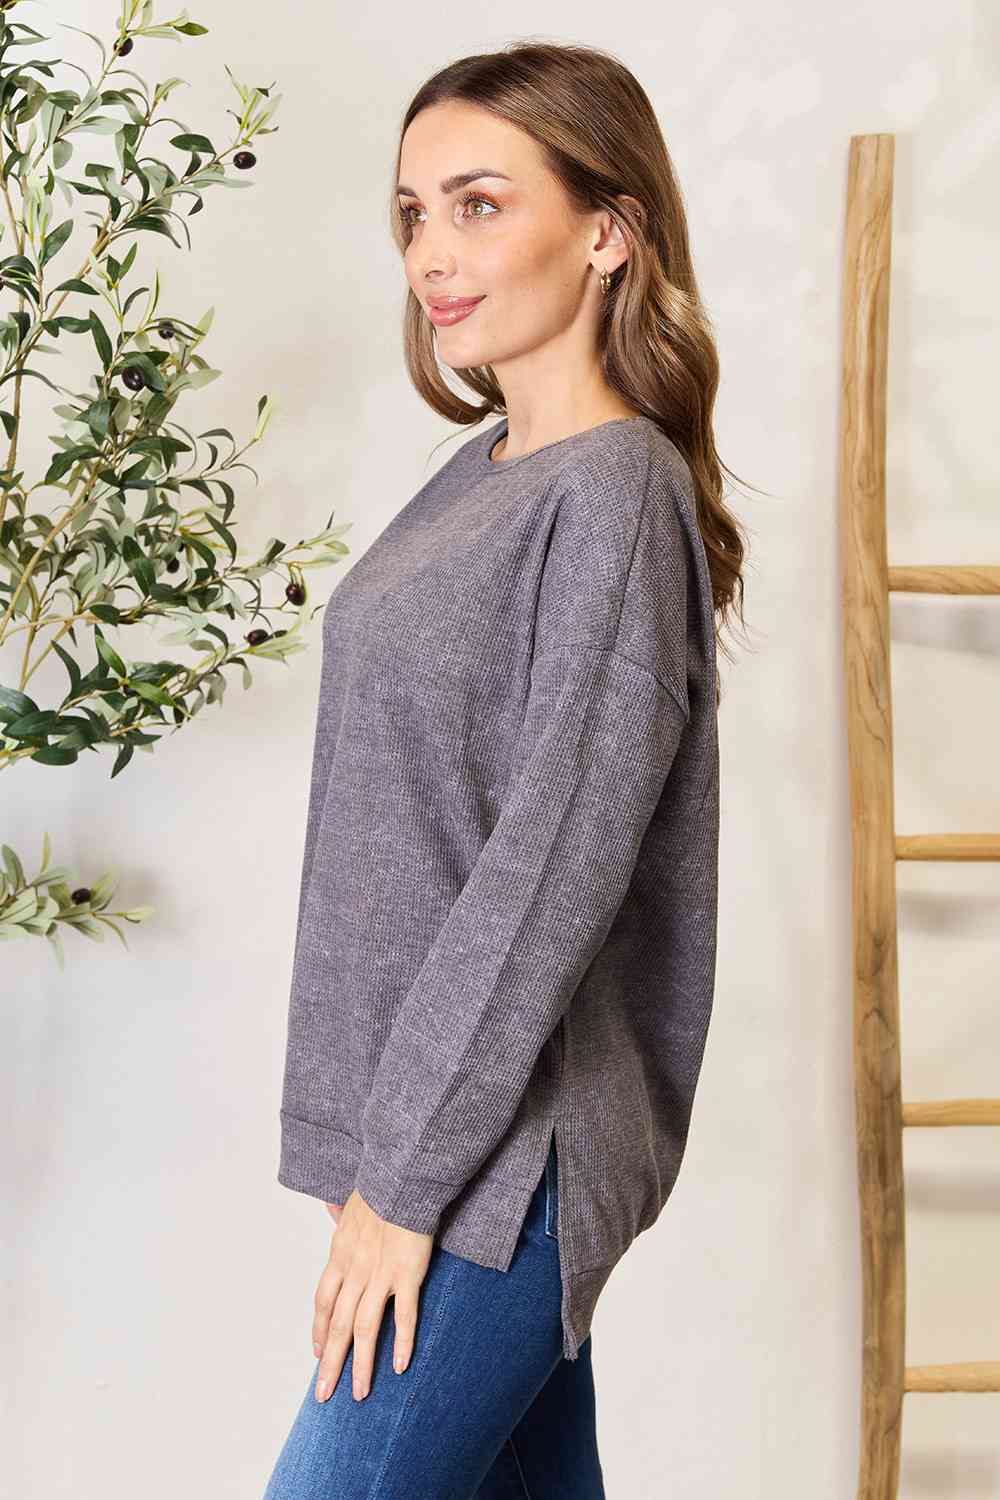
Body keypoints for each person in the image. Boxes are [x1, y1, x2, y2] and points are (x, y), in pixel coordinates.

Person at [263, 38, 748, 1500]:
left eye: (480, 204)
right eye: (415, 213)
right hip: (444, 1139)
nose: (434, 253)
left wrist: (405, 1183)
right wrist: (383, 1154)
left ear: (608, 231)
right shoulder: (483, 469)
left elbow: (546, 875)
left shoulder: (615, 492)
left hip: (506, 1157)